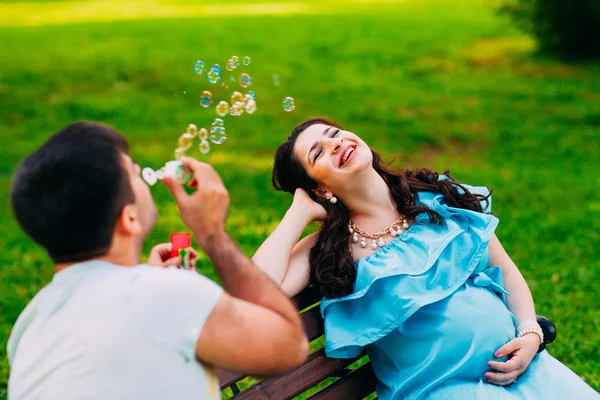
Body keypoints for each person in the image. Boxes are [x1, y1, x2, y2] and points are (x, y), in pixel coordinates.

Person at [253, 117, 599, 399]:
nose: (335, 144)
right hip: (438, 392)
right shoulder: (332, 249)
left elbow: (505, 270)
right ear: (319, 188)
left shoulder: (434, 197)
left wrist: (529, 334)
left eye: (334, 134)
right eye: (318, 153)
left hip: (524, 371)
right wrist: (298, 213)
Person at [7, 121, 309, 400]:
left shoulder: (29, 324)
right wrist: (212, 234)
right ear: (129, 218)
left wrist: (146, 278)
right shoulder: (161, 294)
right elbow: (289, 347)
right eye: (136, 175)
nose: (145, 176)